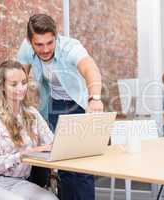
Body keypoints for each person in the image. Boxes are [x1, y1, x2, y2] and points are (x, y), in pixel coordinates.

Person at [17, 14, 103, 200]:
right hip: (54, 105)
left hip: (79, 105)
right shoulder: (26, 48)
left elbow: (90, 68)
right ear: (30, 41)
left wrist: (94, 98)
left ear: (56, 36)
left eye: (50, 42)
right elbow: (18, 77)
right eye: (39, 45)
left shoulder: (70, 47)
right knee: (63, 164)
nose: (46, 49)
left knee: (82, 166)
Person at [0, 60, 58, 200]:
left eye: (24, 82)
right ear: (2, 86)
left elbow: (53, 143)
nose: (21, 88)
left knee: (50, 199)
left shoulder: (32, 113)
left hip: (18, 182)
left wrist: (58, 148)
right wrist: (27, 153)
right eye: (14, 84)